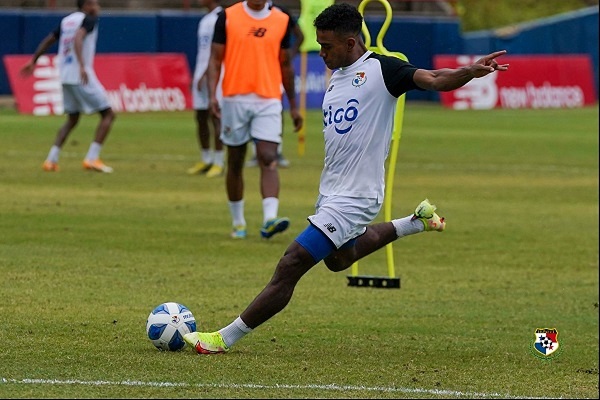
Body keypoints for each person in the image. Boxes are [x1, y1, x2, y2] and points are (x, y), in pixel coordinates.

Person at [183, 3, 508, 354]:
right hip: (332, 192)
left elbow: (434, 79)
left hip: (357, 196)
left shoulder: (384, 69)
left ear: (351, 43)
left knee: (292, 262)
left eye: (327, 46)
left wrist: (469, 72)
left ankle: (223, 339)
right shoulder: (337, 75)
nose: (321, 52)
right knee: (338, 260)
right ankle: (415, 222)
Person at [207, 0, 303, 240]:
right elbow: (216, 60)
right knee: (236, 160)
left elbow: (285, 65)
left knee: (268, 157)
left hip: (269, 98)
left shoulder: (281, 20)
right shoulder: (227, 17)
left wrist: (292, 106)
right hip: (234, 99)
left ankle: (270, 219)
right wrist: (212, 95)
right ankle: (238, 222)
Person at [20, 0, 116, 173]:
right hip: (80, 74)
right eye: (94, 3)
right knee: (108, 114)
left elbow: (50, 39)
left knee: (72, 118)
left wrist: (33, 60)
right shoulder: (88, 19)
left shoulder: (67, 20)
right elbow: (79, 37)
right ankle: (92, 158)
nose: (97, 7)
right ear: (86, 5)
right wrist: (81, 65)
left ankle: (51, 160)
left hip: (64, 75)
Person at [245, 0, 305, 169]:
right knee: (249, 109)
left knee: (275, 108)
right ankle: (256, 152)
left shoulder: (280, 12)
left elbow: (300, 36)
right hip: (250, 70)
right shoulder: (244, 11)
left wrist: (288, 55)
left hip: (273, 71)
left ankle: (276, 150)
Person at [187, 0, 225, 178]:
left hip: (214, 75)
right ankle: (206, 158)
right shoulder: (205, 19)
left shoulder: (220, 17)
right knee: (200, 117)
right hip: (201, 74)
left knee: (215, 116)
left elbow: (217, 51)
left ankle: (219, 161)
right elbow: (202, 52)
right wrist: (197, 73)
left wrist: (205, 73)